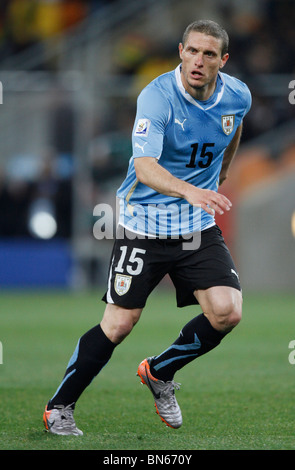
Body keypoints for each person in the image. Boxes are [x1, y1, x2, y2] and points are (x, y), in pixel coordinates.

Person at [43, 19, 251, 435]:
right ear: (180, 51)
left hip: (195, 225)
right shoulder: (157, 97)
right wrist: (191, 190)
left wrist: (223, 171)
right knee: (119, 323)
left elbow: (234, 125)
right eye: (192, 51)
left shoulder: (237, 95)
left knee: (227, 312)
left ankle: (160, 372)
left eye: (209, 54)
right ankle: (58, 408)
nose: (198, 60)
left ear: (222, 61)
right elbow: (144, 167)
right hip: (145, 222)